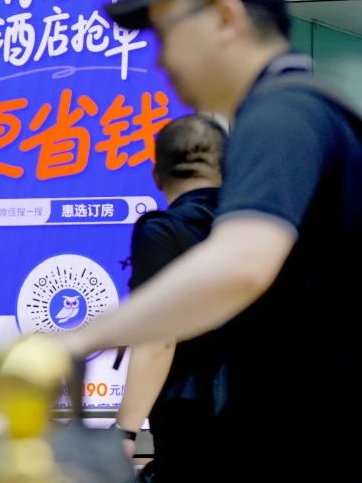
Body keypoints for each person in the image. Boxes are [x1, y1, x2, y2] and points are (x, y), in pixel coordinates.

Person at [58, 0, 362, 480]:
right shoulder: (324, 114)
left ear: (226, 17)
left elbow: (242, 264)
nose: (160, 58)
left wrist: (82, 339)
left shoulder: (281, 118)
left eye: (166, 30)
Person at [114, 115, 225, 482]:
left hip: (195, 424)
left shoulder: (163, 232)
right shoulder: (262, 232)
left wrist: (125, 432)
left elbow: (158, 337)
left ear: (157, 175)